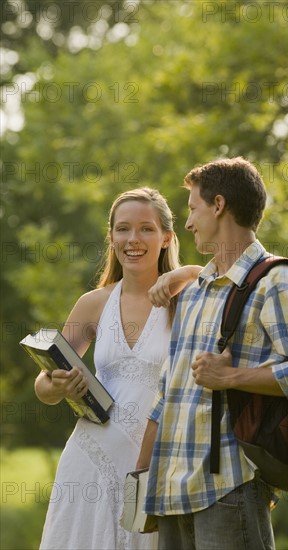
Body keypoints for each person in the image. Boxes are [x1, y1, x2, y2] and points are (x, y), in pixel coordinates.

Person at [136, 157, 288, 550]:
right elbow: (167, 394)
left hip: (230, 488)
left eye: (193, 208)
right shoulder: (195, 289)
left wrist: (230, 377)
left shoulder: (278, 281)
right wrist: (142, 472)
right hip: (171, 490)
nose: (189, 222)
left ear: (219, 205)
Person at [34, 187, 199, 550]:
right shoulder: (93, 304)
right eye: (123, 229)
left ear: (166, 237)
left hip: (155, 467)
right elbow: (43, 384)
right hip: (88, 461)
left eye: (146, 228)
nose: (133, 239)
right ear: (111, 237)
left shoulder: (187, 299)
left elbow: (228, 282)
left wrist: (184, 272)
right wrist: (58, 385)